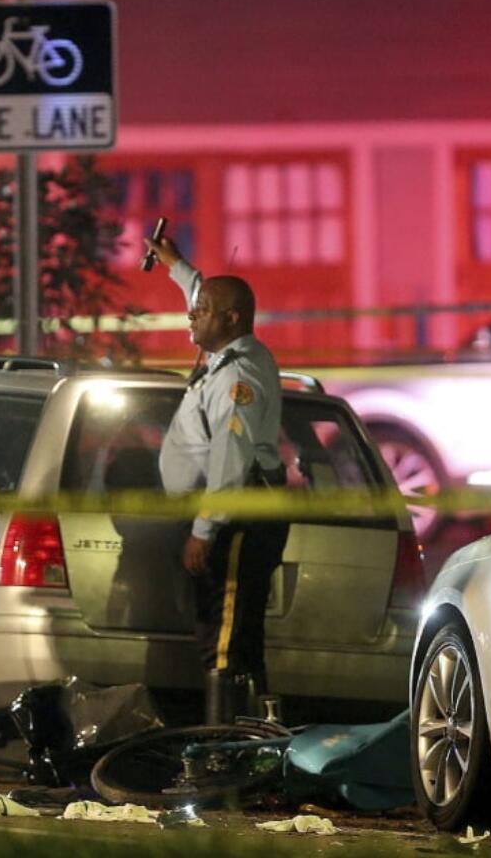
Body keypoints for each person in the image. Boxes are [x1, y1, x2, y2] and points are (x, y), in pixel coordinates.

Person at [143, 233, 289, 725]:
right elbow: (206, 296)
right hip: (234, 513)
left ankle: (218, 745)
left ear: (230, 320)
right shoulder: (227, 353)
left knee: (223, 632)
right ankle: (246, 737)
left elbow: (230, 459)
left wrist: (204, 532)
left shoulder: (236, 377)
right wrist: (177, 266)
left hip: (236, 517)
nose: (192, 314)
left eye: (202, 310)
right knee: (235, 628)